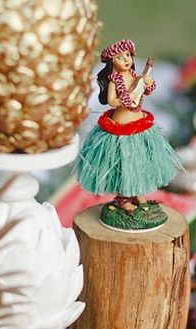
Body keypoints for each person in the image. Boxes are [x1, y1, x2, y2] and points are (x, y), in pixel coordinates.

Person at [77, 39, 182, 228]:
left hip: (139, 124)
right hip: (121, 127)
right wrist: (124, 98)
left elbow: (145, 91)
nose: (125, 59)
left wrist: (148, 83)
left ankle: (138, 193)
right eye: (119, 57)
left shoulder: (135, 75)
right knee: (123, 164)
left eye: (127, 55)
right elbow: (111, 100)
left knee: (139, 162)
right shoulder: (114, 80)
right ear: (111, 62)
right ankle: (123, 198)